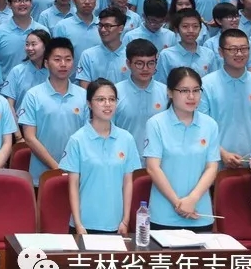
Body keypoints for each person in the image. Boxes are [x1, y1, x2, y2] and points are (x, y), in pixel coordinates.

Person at [143, 67, 220, 232]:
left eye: (196, 90)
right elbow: (153, 168)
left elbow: (212, 167)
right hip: (164, 215)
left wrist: (192, 199)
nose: (191, 96)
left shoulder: (210, 125)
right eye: (184, 91)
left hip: (199, 212)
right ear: (170, 92)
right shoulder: (156, 124)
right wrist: (178, 203)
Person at [62, 78, 140, 236]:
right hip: (85, 224)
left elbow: (127, 183)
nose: (107, 104)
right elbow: (73, 186)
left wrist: (125, 220)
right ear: (89, 104)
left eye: (112, 99)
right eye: (100, 99)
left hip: (116, 224)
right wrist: (78, 224)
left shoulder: (126, 139)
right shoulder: (77, 140)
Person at [18, 37, 87, 186]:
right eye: (57, 59)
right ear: (46, 63)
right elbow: (29, 137)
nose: (63, 64)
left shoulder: (83, 95)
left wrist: (71, 168)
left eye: (68, 59)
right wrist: (58, 168)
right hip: (41, 177)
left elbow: (87, 136)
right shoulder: (33, 95)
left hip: (78, 175)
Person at [200, 29, 251, 169]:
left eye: (244, 49)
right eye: (233, 49)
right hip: (214, 164)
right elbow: (201, 127)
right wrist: (222, 153)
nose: (239, 54)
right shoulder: (206, 85)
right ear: (221, 52)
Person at [113, 39, 167, 154]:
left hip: (159, 159)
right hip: (124, 158)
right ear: (128, 63)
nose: (145, 68)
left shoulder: (166, 93)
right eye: (139, 63)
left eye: (151, 63)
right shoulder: (115, 93)